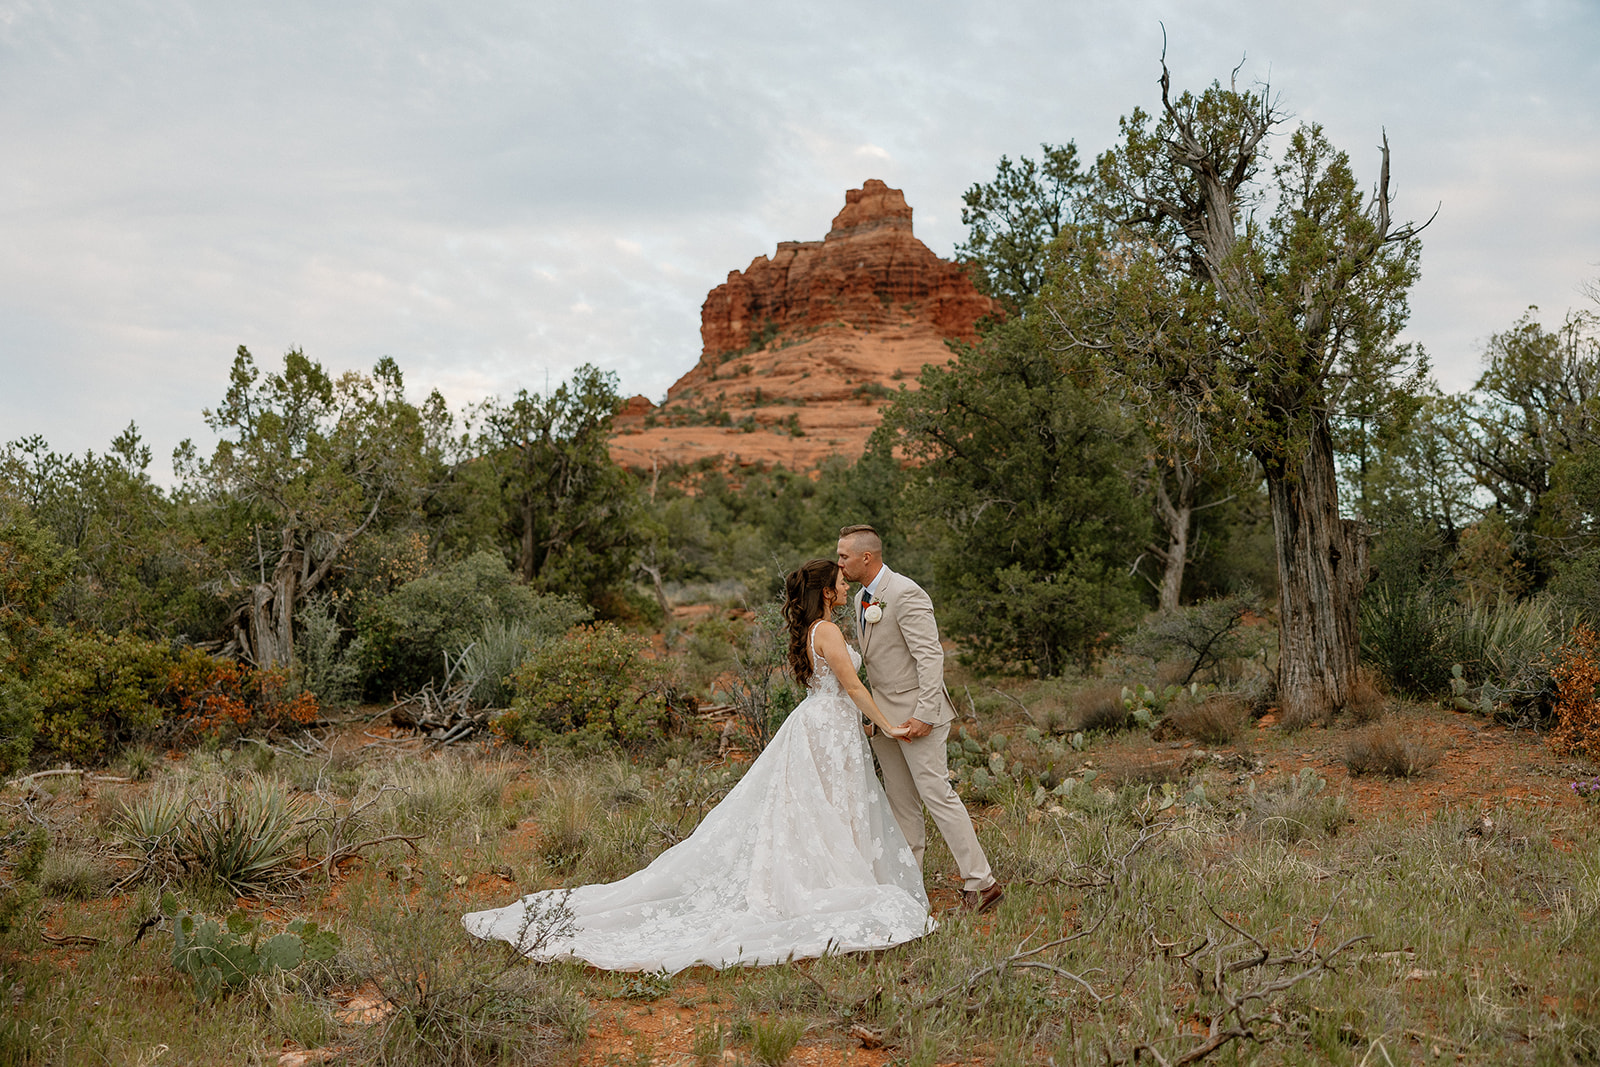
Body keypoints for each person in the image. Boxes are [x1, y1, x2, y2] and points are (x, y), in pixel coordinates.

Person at [461, 558, 933, 973]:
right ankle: (834, 882)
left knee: (826, 805)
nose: (848, 586)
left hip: (824, 726)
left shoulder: (815, 630)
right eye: (840, 582)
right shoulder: (826, 630)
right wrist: (887, 726)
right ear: (827, 591)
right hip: (827, 728)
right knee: (828, 804)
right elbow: (852, 687)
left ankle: (837, 871)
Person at [836, 524, 1004, 913]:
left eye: (844, 556)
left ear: (867, 557)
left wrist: (925, 714)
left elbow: (930, 657)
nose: (839, 562)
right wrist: (875, 719)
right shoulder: (863, 597)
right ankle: (910, 889)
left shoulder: (905, 593)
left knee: (937, 795)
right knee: (901, 804)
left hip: (917, 716)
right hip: (885, 721)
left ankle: (982, 883)